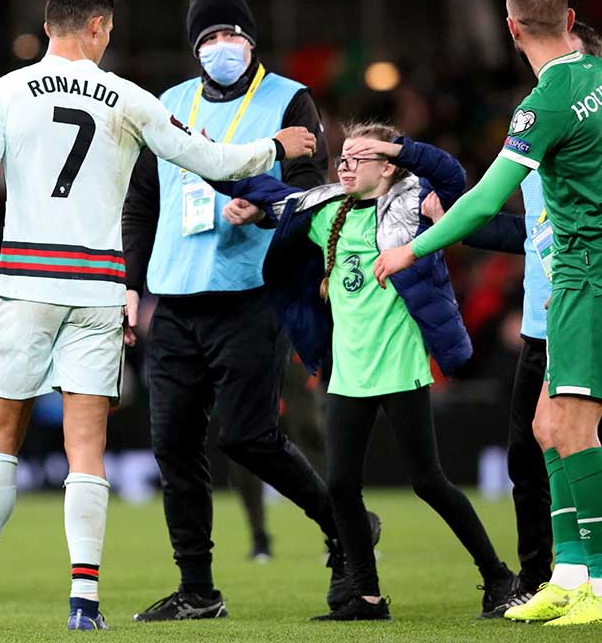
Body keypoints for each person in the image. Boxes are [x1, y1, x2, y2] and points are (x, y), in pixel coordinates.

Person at [0, 0, 315, 632]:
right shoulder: (129, 98)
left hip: (25, 281)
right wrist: (275, 147)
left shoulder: (6, 91)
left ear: (47, 27)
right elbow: (210, 159)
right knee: (87, 448)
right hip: (98, 288)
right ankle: (84, 605)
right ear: (98, 27)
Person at [372, 0, 602, 626]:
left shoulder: (543, 105)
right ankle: (566, 577)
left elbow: (486, 200)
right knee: (547, 425)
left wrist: (410, 250)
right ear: (569, 19)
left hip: (595, 271)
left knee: (574, 430)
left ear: (512, 30)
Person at [124, 0, 374, 623]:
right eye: (209, 37)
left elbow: (310, 191)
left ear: (250, 39)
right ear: (194, 47)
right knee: (173, 447)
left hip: (251, 291)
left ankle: (345, 525)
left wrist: (262, 209)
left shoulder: (289, 99)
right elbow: (142, 201)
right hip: (174, 297)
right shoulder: (168, 104)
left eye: (230, 34)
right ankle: (197, 590)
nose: (221, 46)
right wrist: (129, 283)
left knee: (248, 437)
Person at [208, 123, 517, 620]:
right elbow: (256, 187)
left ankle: (498, 578)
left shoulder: (417, 207)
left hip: (399, 368)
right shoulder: (325, 207)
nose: (345, 167)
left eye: (359, 158)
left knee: (429, 482)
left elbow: (452, 175)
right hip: (348, 376)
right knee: (340, 487)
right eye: (343, 158)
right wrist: (197, 152)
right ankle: (367, 597)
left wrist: (399, 147)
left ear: (388, 165)